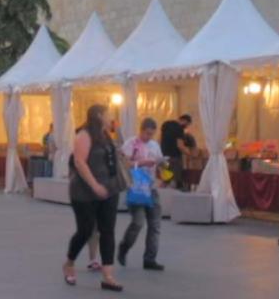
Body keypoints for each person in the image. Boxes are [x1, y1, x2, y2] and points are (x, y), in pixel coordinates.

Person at [63, 104, 123, 292]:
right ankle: (69, 263)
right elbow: (79, 162)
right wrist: (95, 185)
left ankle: (108, 276)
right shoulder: (84, 135)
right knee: (85, 230)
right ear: (98, 115)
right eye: (108, 113)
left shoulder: (106, 135)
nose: (111, 116)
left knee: (107, 231)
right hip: (84, 193)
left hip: (109, 190)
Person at [118, 117, 165, 271]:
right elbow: (124, 164)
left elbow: (158, 163)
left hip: (151, 188)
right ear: (141, 130)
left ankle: (150, 259)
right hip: (136, 188)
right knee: (138, 222)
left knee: (155, 225)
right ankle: (124, 246)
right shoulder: (131, 143)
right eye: (147, 133)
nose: (148, 137)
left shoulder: (155, 145)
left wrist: (162, 166)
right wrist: (143, 162)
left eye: (152, 134)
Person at [159, 114, 191, 190]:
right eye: (187, 124)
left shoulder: (166, 124)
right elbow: (180, 146)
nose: (186, 127)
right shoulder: (180, 129)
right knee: (175, 181)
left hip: (164, 157)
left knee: (165, 180)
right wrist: (189, 153)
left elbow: (159, 139)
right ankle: (174, 195)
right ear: (184, 120)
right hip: (174, 159)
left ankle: (162, 195)